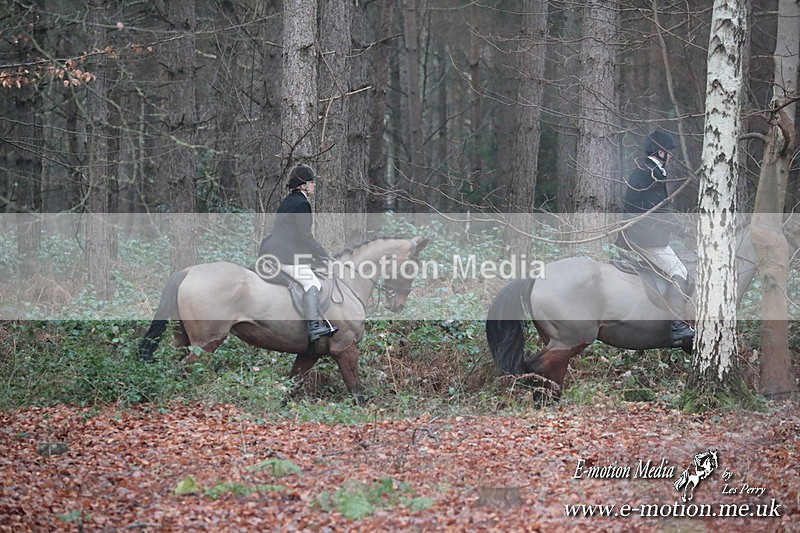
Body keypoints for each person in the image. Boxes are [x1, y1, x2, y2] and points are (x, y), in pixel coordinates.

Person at [619, 130, 694, 347]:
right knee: (679, 271)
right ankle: (678, 325)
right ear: (660, 151)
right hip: (644, 237)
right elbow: (658, 210)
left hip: (645, 234)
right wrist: (683, 230)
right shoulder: (650, 172)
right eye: (669, 152)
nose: (671, 156)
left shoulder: (651, 170)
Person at [259, 164, 338, 342]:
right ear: (303, 185)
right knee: (312, 284)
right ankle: (314, 327)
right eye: (311, 182)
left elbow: (293, 235)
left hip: (273, 250)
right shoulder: (302, 203)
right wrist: (323, 255)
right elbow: (304, 236)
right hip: (285, 254)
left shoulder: (288, 200)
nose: (314, 185)